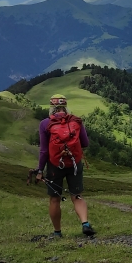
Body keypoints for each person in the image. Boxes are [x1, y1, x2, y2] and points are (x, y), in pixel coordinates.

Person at [35, 94, 95, 238]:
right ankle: (85, 223)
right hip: (74, 163)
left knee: (54, 199)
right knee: (77, 196)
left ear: (51, 107)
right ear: (65, 106)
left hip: (55, 165)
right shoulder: (76, 121)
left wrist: (39, 170)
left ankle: (57, 233)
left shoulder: (45, 124)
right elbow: (85, 143)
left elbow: (44, 151)